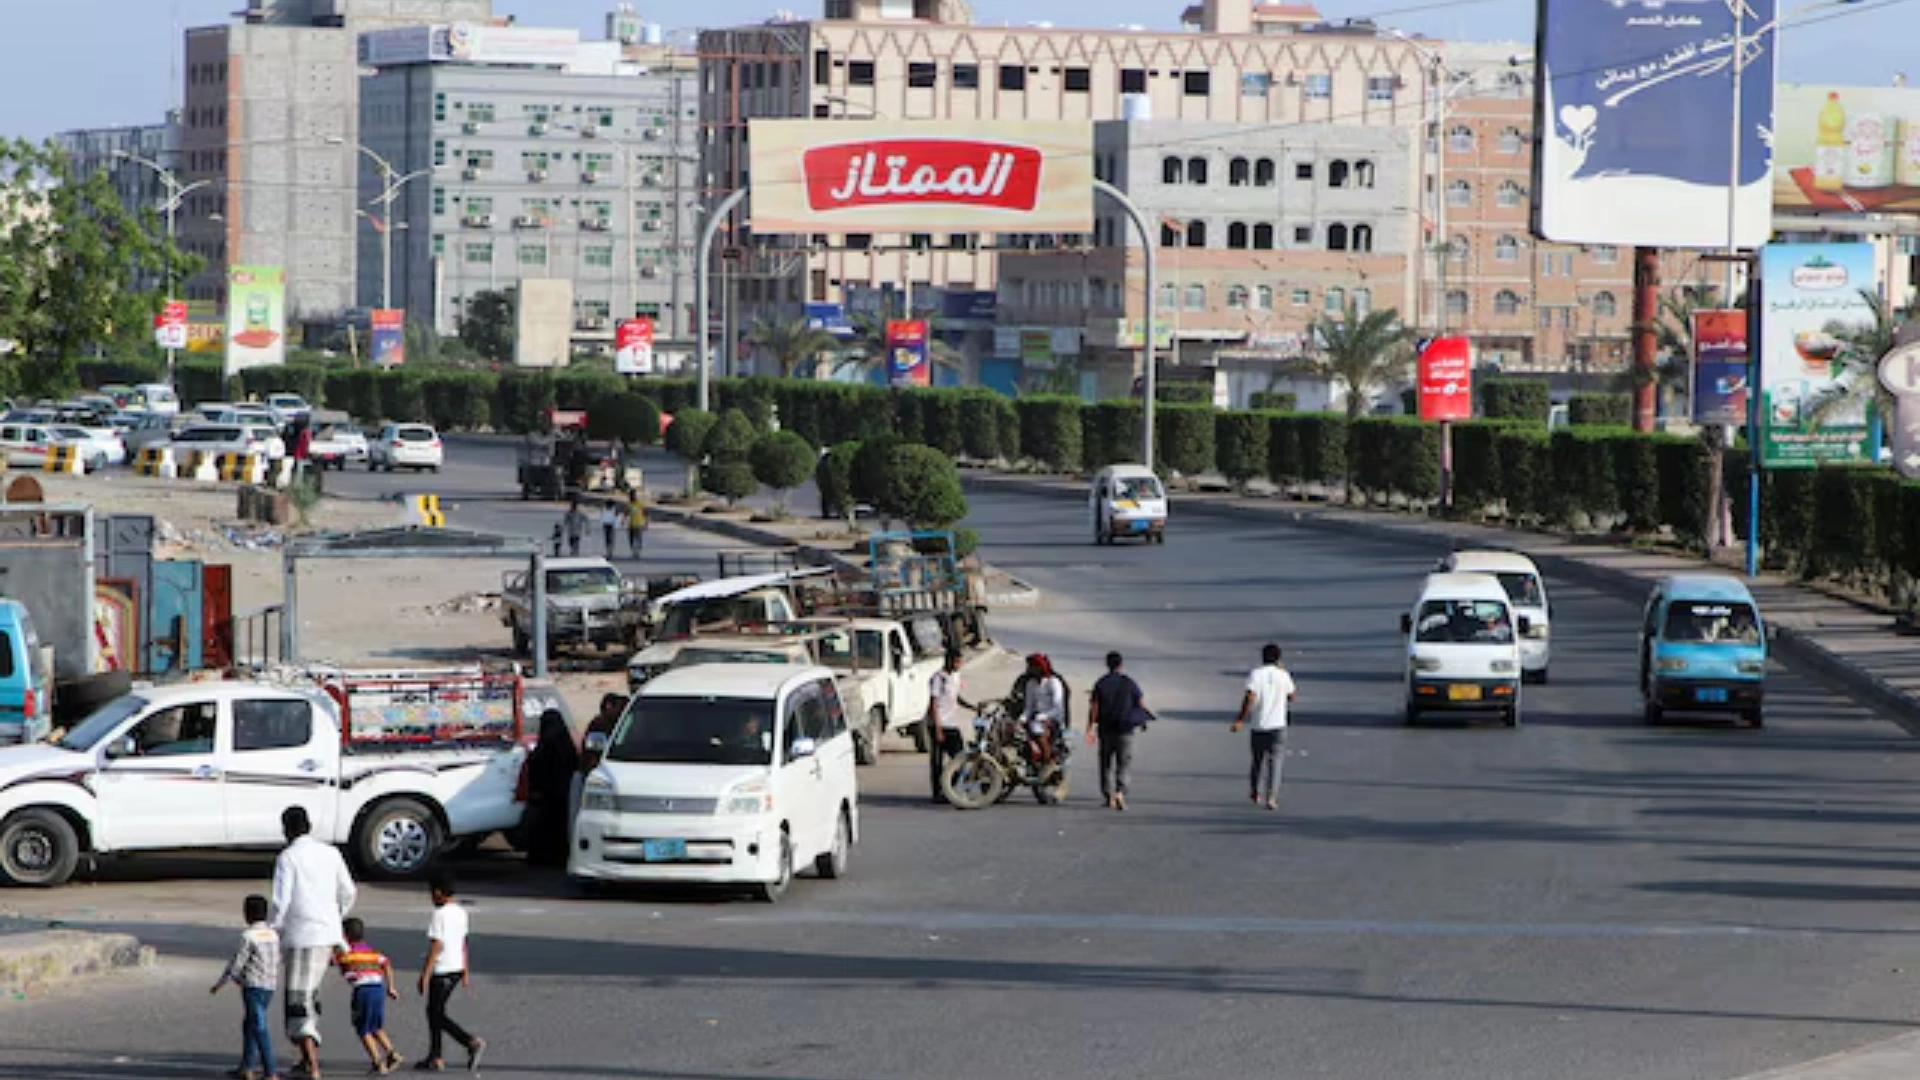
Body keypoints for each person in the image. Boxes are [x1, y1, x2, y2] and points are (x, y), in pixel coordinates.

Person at [270, 806, 358, 1080]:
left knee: (299, 1000)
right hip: (328, 936)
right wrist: (334, 917)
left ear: (286, 829)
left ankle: (312, 1065)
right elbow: (349, 891)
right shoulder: (331, 853)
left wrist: (272, 929)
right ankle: (306, 1060)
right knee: (311, 997)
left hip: (302, 936)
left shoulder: (288, 857)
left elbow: (281, 901)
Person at [417, 871, 484, 1074]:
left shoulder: (439, 914)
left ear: (438, 892)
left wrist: (425, 975)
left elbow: (436, 945)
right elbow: (463, 942)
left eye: (431, 893)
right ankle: (435, 1056)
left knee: (435, 1014)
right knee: (435, 1011)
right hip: (456, 968)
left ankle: (469, 1042)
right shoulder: (461, 912)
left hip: (442, 970)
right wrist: (465, 969)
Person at [211, 893, 280, 1080]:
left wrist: (222, 982)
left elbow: (237, 962)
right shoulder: (273, 934)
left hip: (253, 986)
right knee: (250, 1023)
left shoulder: (248, 936)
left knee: (258, 1026)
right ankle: (246, 1067)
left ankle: (271, 1071)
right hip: (270, 985)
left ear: (247, 914)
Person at [1230, 643, 1298, 811]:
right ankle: (1272, 796)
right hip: (1278, 725)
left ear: (1262, 657)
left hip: (1259, 724)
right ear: (1278, 658)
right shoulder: (1284, 675)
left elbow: (1250, 697)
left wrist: (1240, 719)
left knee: (1257, 760)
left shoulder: (1256, 674)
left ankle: (1255, 791)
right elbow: (1292, 696)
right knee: (1276, 762)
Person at [335, 917, 402, 1075]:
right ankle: (392, 1053)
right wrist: (391, 987)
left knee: (363, 1029)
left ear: (345, 935)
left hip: (363, 992)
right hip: (378, 989)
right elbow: (386, 964)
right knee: (376, 1027)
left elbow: (340, 967)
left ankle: (377, 1062)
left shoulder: (346, 954)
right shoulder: (372, 952)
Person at [1086, 651, 1151, 811]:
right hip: (1125, 729)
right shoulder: (1129, 683)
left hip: (1106, 729)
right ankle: (1120, 792)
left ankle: (1108, 796)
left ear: (1107, 664)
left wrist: (1090, 727)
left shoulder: (1101, 683)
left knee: (1105, 763)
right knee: (1124, 763)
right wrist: (1143, 720)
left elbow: (1094, 707)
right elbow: (1140, 703)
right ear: (1121, 665)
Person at [523, 709, 580, 868]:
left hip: (545, 796)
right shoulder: (565, 745)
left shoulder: (544, 747)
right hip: (562, 794)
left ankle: (544, 856)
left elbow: (537, 768)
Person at [925, 649, 976, 804]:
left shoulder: (956, 676)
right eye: (956, 662)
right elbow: (933, 704)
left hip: (952, 724)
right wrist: (938, 728)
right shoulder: (938, 678)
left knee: (959, 758)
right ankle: (937, 792)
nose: (958, 665)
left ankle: (950, 787)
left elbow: (956, 697)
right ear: (948, 661)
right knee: (937, 761)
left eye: (960, 662)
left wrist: (971, 707)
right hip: (939, 724)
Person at [1018, 654, 1067, 773]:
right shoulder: (1031, 684)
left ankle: (1047, 761)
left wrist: (1044, 716)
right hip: (1036, 717)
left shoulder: (1053, 682)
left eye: (1032, 666)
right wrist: (1022, 719)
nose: (1029, 669)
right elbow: (1029, 707)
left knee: (1037, 730)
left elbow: (1058, 707)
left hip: (1053, 717)